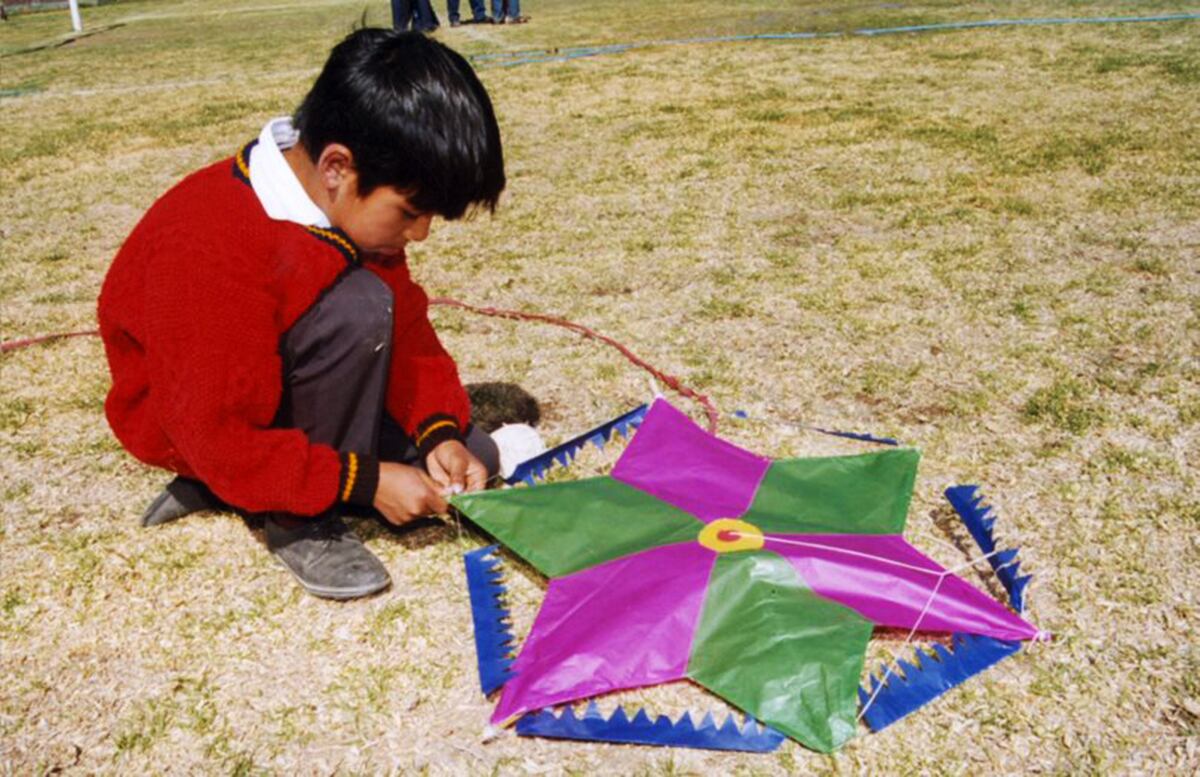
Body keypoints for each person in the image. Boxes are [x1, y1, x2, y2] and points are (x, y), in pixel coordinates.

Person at [98, 30, 519, 600]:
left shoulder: (339, 204)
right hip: (203, 427)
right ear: (337, 168)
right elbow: (213, 430)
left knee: (462, 442)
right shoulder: (207, 247)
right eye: (412, 212)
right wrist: (362, 482)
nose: (419, 233)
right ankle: (295, 517)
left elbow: (409, 331)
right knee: (360, 306)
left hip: (264, 400)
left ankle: (256, 481)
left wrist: (438, 428)